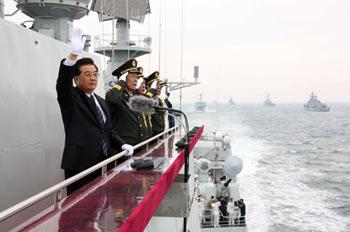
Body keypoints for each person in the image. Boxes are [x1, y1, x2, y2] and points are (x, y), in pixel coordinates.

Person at [56, 28, 134, 195]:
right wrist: (72, 57)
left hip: (102, 163)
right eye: (87, 74)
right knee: (79, 210)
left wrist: (122, 144)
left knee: (98, 206)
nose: (93, 78)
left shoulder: (101, 102)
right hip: (80, 165)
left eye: (95, 74)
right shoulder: (71, 99)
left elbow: (108, 130)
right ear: (76, 79)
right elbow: (63, 83)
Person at [105, 60, 148, 146]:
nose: (136, 79)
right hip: (123, 148)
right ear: (124, 78)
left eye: (137, 77)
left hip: (138, 147)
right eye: (132, 76)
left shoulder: (133, 96)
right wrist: (121, 82)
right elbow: (113, 99)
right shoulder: (117, 95)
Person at [144, 71, 165, 136]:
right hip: (151, 135)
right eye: (156, 85)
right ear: (148, 87)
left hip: (160, 134)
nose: (159, 87)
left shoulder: (158, 100)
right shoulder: (145, 98)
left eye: (159, 85)